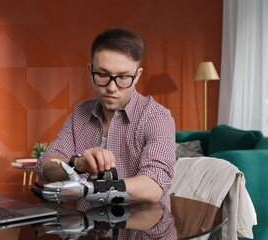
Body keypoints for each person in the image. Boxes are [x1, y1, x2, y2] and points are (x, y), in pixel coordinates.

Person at [35, 27, 176, 211]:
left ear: (137, 76)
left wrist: (90, 189)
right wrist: (77, 164)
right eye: (102, 75)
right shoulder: (80, 113)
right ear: (90, 70)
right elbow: (45, 164)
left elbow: (155, 185)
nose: (111, 88)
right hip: (87, 231)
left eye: (123, 77)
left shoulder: (157, 117)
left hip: (142, 231)